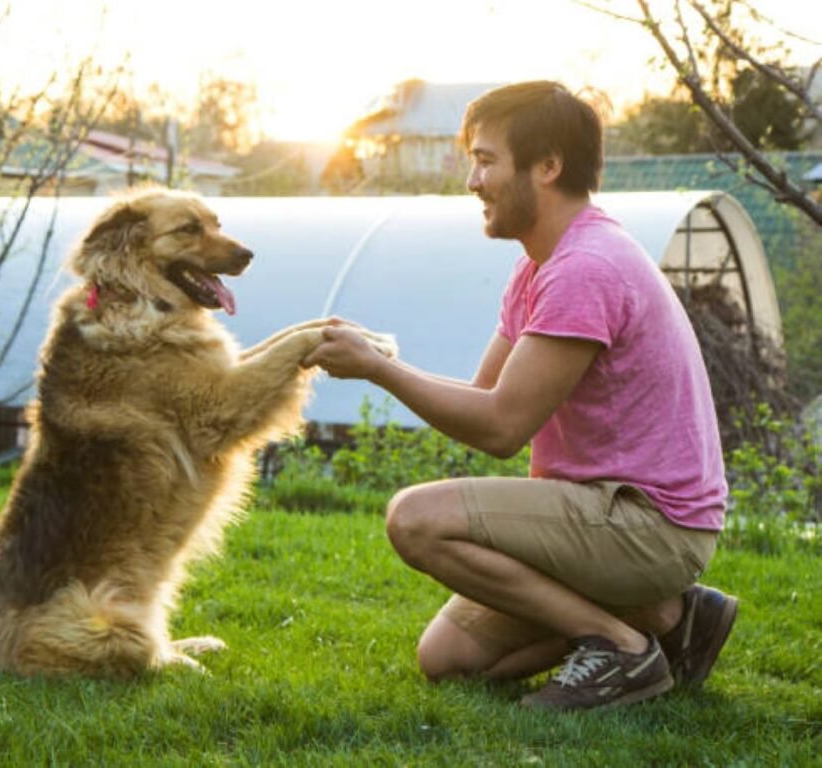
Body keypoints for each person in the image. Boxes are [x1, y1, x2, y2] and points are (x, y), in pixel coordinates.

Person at [301, 80, 738, 711]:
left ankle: (617, 647)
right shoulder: (541, 264)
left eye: (485, 161)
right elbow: (486, 394)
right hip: (601, 516)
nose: (472, 182)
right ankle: (671, 621)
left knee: (414, 520)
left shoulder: (586, 267)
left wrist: (377, 372)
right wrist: (384, 358)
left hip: (649, 524)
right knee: (447, 660)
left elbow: (501, 431)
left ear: (549, 165)